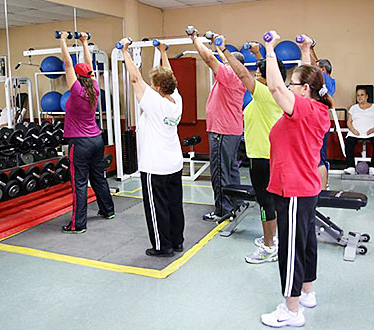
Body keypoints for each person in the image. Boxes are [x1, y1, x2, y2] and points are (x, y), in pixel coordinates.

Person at [260, 31, 331, 328]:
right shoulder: (318, 107)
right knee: (304, 242)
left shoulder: (301, 110)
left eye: (294, 85)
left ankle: (291, 311)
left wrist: (269, 49)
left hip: (292, 190)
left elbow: (275, 86)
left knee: (289, 248)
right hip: (305, 187)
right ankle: (307, 292)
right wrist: (305, 50)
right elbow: (306, 80)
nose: (289, 87)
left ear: (303, 91)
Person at [118, 38, 186, 258]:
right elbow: (169, 75)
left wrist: (125, 52)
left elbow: (135, 78)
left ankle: (162, 246)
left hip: (155, 167)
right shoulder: (177, 99)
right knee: (174, 205)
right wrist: (162, 52)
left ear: (157, 88)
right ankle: (177, 242)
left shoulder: (154, 103)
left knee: (157, 209)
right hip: (174, 164)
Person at [223, 41, 286, 264]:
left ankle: (269, 247)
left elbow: (241, 74)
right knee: (271, 203)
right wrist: (260, 52)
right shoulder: (280, 95)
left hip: (263, 157)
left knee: (265, 203)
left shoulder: (265, 93)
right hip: (269, 156)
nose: (255, 75)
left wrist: (223, 50)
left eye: (259, 72)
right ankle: (272, 240)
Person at [58, 32, 115, 234]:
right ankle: (108, 210)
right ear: (89, 76)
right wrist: (84, 43)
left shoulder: (76, 90)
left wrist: (63, 41)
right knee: (98, 177)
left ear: (77, 77)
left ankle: (78, 224)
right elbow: (89, 65)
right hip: (96, 140)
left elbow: (67, 64)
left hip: (80, 143)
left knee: (79, 183)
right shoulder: (95, 88)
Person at [188, 28, 246, 222]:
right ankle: (237, 202)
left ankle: (223, 210)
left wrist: (195, 39)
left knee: (220, 171)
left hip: (222, 131)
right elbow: (219, 58)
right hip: (232, 130)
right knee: (231, 169)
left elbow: (210, 60)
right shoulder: (239, 76)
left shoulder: (230, 76)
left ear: (232, 65)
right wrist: (215, 43)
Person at [305, 34, 336, 189]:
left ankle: (323, 189)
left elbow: (314, 66)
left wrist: (310, 48)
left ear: (323, 70)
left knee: (320, 159)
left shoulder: (327, 81)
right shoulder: (326, 83)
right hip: (318, 122)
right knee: (317, 158)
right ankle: (320, 185)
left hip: (319, 123)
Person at [343, 88, 374, 176]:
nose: (359, 97)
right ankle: (351, 167)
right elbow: (349, 122)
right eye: (358, 95)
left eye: (362, 95)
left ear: (367, 96)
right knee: (349, 141)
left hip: (371, 131)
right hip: (356, 131)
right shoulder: (353, 108)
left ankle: (373, 167)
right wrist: (353, 130)